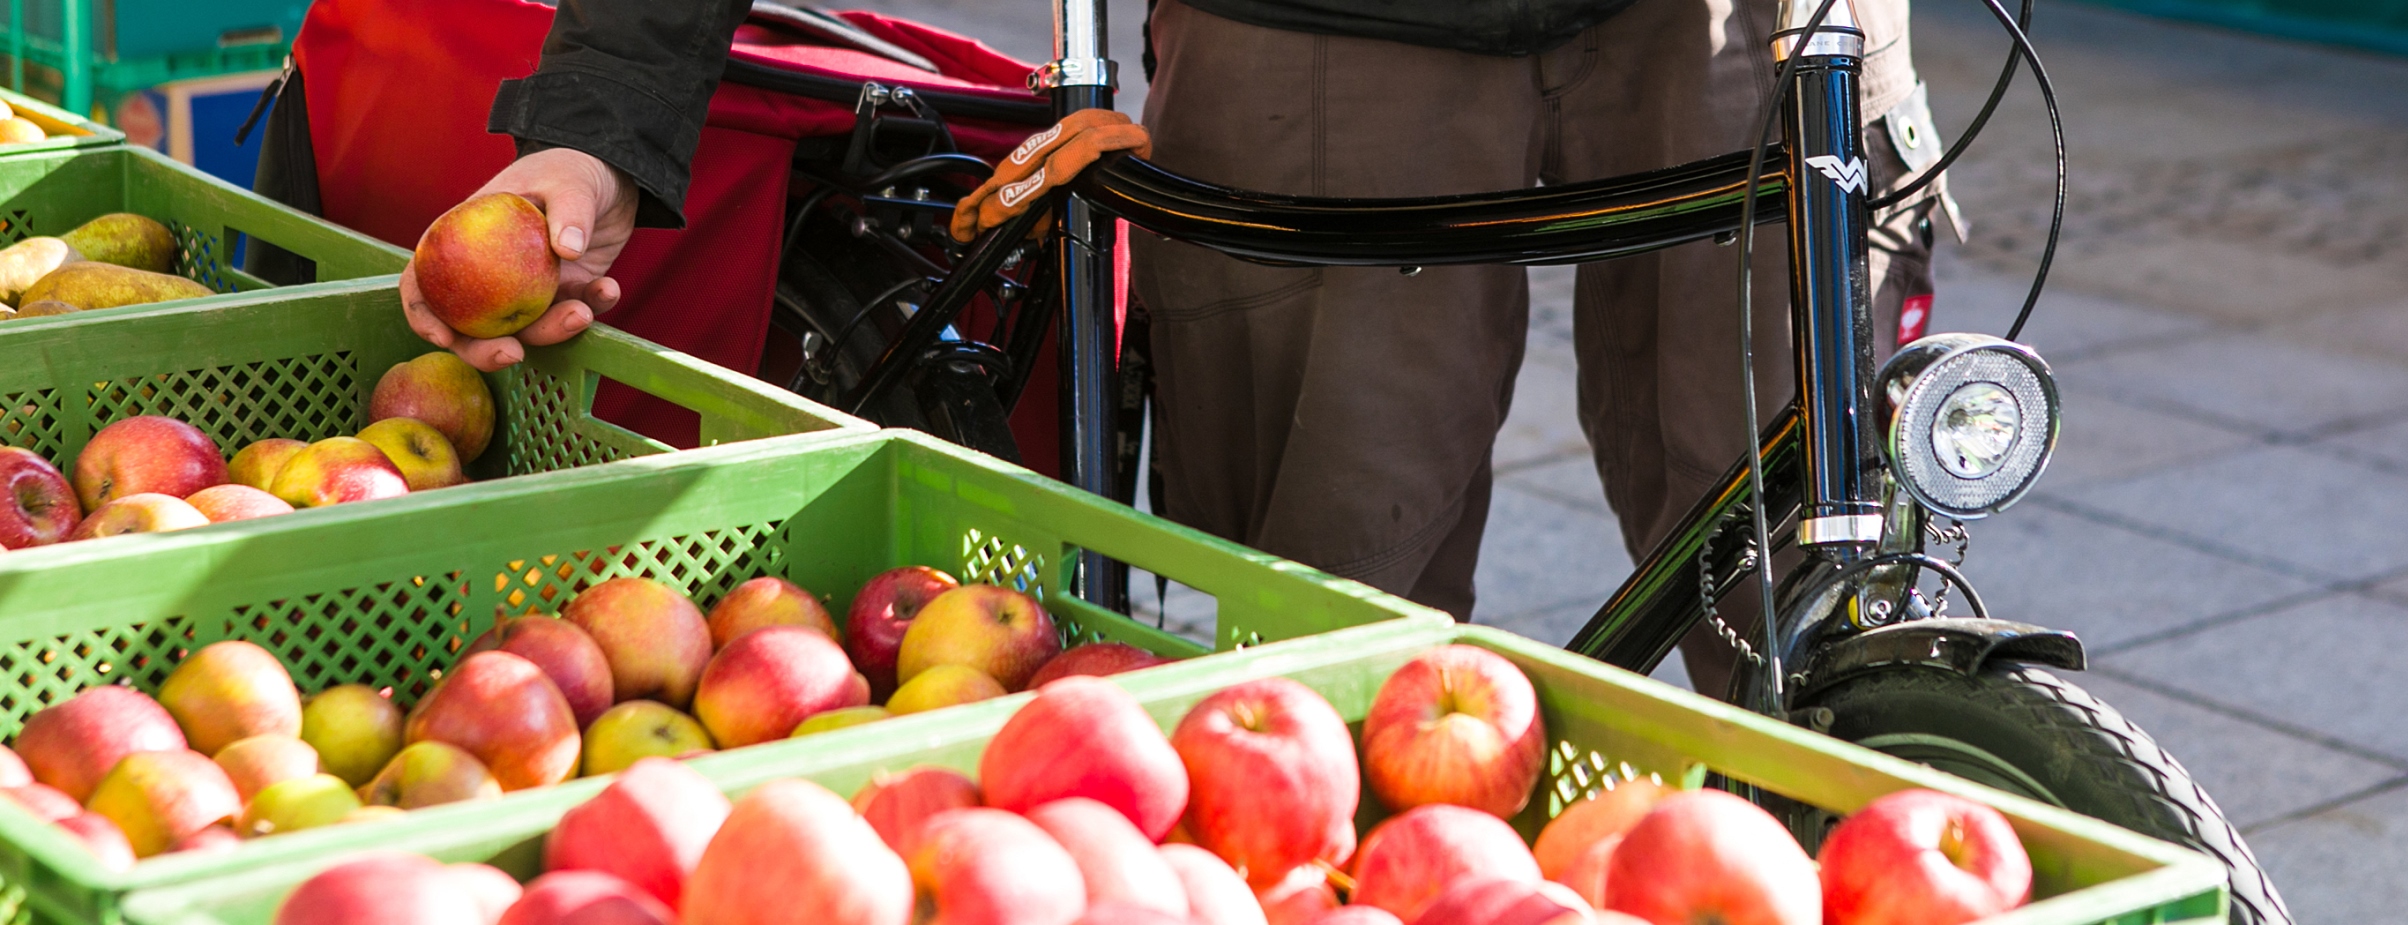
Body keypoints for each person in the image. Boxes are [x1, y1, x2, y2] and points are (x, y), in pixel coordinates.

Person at [404, 0, 1949, 697]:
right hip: (1332, 27)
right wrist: (600, 132)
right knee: (1338, 624)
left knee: (1817, 595)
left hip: (1744, 19)